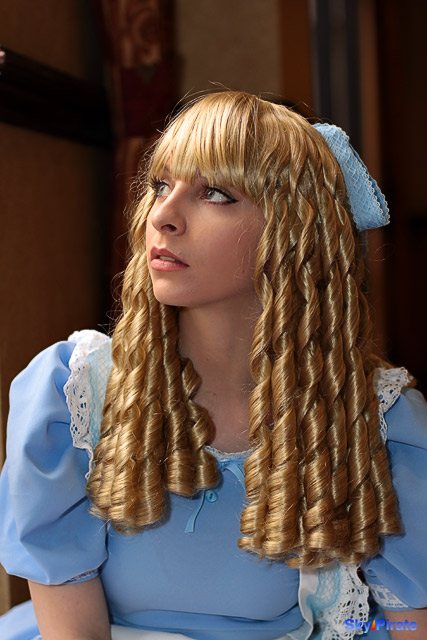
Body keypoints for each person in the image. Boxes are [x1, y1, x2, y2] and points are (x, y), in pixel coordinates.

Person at [0, 90, 426, 640]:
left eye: (216, 193)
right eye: (161, 185)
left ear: (293, 233)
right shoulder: (74, 394)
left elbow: (408, 621)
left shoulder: (379, 420)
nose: (163, 216)